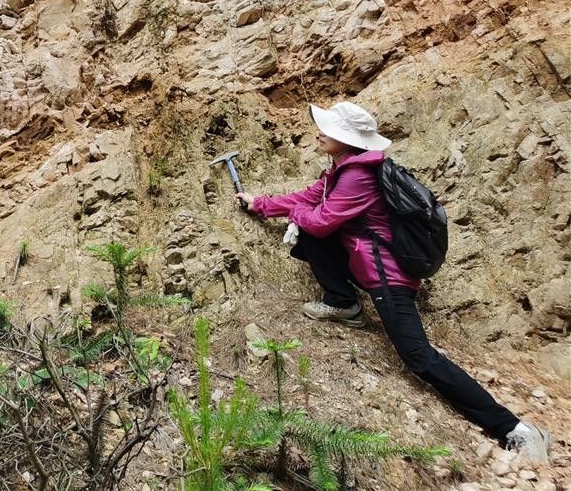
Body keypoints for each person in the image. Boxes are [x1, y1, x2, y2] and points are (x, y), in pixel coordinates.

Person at [236, 101, 552, 464]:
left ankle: (514, 429)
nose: (319, 133)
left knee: (419, 357)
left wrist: (297, 216)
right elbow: (308, 200)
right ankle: (343, 303)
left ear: (348, 140)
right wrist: (261, 204)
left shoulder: (357, 176)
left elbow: (321, 221)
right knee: (308, 233)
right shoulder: (341, 170)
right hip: (365, 262)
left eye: (328, 130)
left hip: (387, 276)